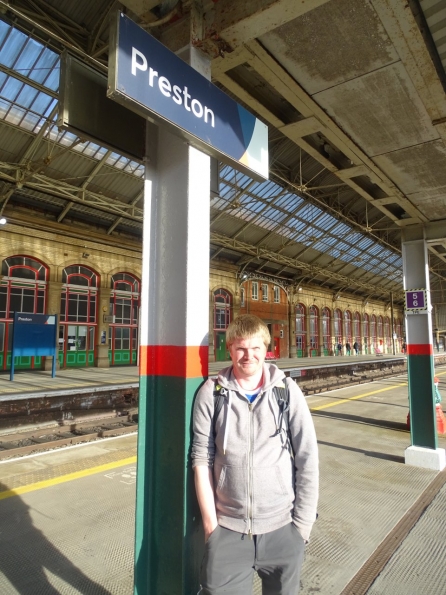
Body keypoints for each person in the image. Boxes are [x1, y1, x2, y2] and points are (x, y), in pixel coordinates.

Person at [192, 314, 319, 595]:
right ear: (230, 350)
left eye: (255, 349)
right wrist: (212, 527)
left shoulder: (286, 391)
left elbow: (307, 457)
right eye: (240, 349)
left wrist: (302, 527)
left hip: (283, 530)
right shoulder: (212, 393)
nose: (248, 356)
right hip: (227, 532)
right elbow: (201, 460)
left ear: (266, 349)